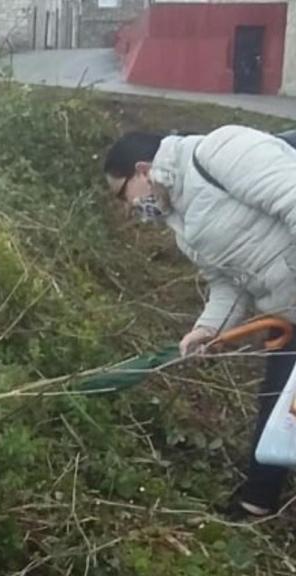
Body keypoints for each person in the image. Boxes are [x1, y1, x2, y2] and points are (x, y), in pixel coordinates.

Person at [103, 125, 296, 520]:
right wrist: (209, 329)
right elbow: (229, 283)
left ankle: (256, 501)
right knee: (278, 408)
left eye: (123, 195)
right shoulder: (182, 223)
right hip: (290, 316)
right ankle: (256, 504)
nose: (128, 208)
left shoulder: (219, 151)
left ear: (143, 170)